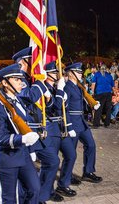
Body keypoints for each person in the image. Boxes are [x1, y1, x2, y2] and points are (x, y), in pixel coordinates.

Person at [12, 47, 62, 203]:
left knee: (53, 161)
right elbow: (28, 96)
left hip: (39, 128)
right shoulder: (18, 79)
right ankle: (27, 198)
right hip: (26, 130)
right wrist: (41, 84)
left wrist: (51, 96)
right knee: (25, 172)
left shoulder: (32, 79)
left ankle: (41, 196)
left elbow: (49, 106)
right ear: (23, 61)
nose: (36, 63)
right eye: (32, 60)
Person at [0, 64, 40, 203]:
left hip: (23, 154)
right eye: (16, 79)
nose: (21, 82)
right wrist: (22, 139)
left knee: (34, 189)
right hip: (6, 158)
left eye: (21, 79)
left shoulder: (17, 100)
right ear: (5, 83)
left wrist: (30, 148)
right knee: (9, 199)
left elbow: (24, 124)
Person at [64, 62, 103, 183]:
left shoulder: (79, 87)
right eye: (78, 72)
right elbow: (65, 109)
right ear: (70, 74)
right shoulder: (66, 88)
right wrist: (68, 126)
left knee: (91, 145)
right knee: (70, 152)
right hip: (73, 123)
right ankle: (67, 176)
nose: (81, 74)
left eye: (81, 72)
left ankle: (88, 171)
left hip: (81, 121)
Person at [44, 61, 78, 197]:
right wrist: (60, 91)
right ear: (46, 74)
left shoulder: (55, 88)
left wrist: (68, 126)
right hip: (51, 128)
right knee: (52, 162)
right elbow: (55, 107)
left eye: (57, 72)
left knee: (71, 155)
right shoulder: (44, 89)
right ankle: (48, 191)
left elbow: (65, 109)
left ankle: (63, 184)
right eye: (53, 72)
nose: (57, 74)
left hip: (61, 127)